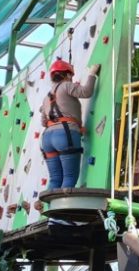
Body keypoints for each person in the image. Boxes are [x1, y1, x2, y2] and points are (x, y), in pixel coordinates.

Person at [40, 59, 100, 189]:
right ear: (67, 74)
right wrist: (92, 74)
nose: (71, 78)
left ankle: (50, 209)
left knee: (55, 179)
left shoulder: (47, 97)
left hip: (47, 139)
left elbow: (43, 122)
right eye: (71, 75)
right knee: (69, 178)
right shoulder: (66, 85)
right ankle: (63, 209)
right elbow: (86, 92)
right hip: (65, 134)